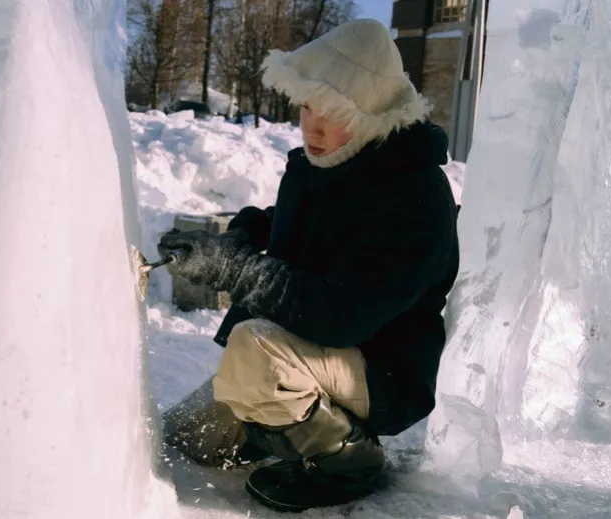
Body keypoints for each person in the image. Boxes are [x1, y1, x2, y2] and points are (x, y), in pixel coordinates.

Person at [158, 18, 460, 512]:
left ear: (369, 110)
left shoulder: (415, 196)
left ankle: (349, 459)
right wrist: (239, 235)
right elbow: (295, 223)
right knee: (187, 438)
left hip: (379, 368)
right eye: (306, 105)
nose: (313, 125)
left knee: (254, 354)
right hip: (316, 351)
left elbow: (345, 313)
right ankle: (281, 424)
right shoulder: (340, 157)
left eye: (334, 111)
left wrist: (236, 270)